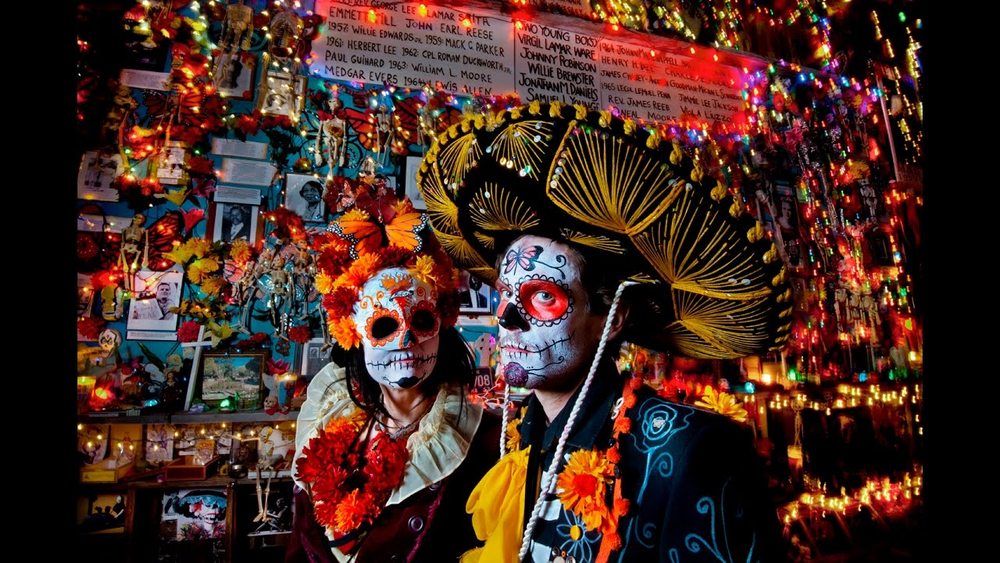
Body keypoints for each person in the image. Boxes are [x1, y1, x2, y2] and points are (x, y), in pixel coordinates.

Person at [416, 102, 791, 562]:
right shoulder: (516, 434)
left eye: (543, 297)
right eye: (504, 294)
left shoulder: (693, 449)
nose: (507, 319)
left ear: (612, 319)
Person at [287, 194, 502, 562]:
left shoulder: (482, 439)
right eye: (384, 325)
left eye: (421, 321)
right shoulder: (329, 420)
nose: (406, 342)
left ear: (442, 326)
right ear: (352, 334)